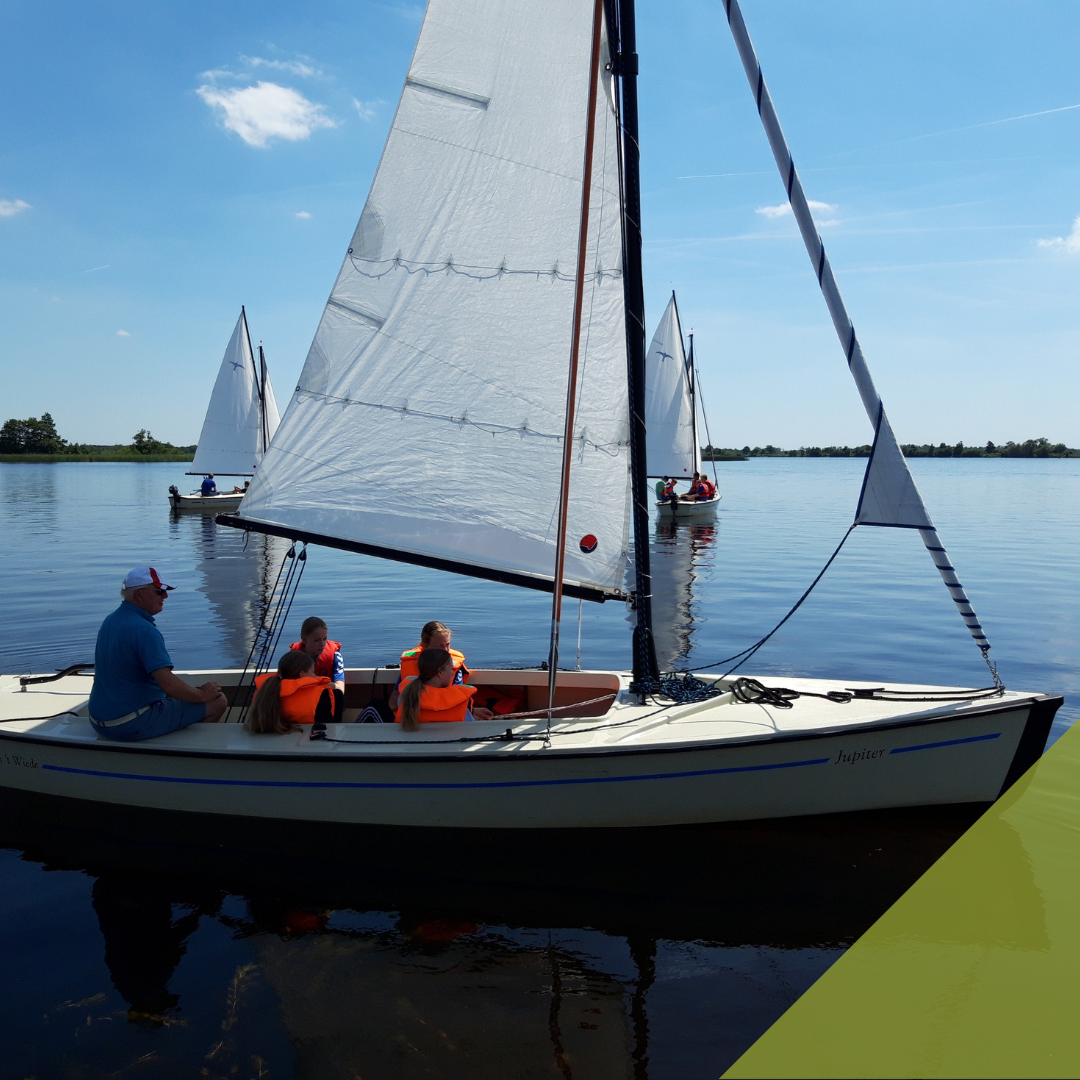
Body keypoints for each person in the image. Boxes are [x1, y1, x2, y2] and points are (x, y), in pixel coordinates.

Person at [88, 567, 227, 741]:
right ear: (139, 595)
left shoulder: (111, 620)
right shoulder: (144, 630)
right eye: (159, 592)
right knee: (218, 701)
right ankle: (194, 753)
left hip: (99, 720)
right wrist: (202, 695)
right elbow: (168, 685)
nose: (165, 597)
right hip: (128, 723)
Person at [396, 649, 494, 731]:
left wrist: (473, 711)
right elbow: (470, 728)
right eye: (451, 669)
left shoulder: (406, 695)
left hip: (412, 748)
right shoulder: (459, 701)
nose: (452, 673)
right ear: (440, 673)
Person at [246, 651, 340, 734]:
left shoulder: (264, 689)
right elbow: (326, 728)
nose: (315, 676)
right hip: (307, 743)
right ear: (302, 674)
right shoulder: (321, 694)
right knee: (338, 694)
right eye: (313, 672)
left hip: (263, 739)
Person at [390, 620, 469, 710]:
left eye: (447, 644)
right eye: (439, 646)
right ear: (425, 645)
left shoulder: (453, 668)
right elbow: (392, 702)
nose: (445, 650)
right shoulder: (410, 665)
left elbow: (461, 700)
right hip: (414, 718)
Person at [290, 616, 344, 692]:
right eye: (317, 640)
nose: (322, 644)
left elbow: (340, 690)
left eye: (324, 638)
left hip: (326, 699)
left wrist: (315, 679)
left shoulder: (335, 655)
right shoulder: (293, 657)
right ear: (305, 640)